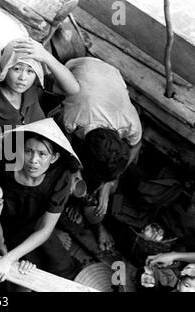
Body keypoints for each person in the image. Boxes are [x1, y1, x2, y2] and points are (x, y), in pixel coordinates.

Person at [56, 57, 142, 252]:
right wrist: (73, 169)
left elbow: (136, 146)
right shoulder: (74, 115)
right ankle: (80, 205)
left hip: (111, 74)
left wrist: (108, 184)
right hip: (79, 67)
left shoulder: (130, 122)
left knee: (103, 194)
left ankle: (89, 211)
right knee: (64, 174)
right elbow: (66, 139)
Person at [0, 118, 82, 287]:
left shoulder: (60, 177)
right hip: (4, 225)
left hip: (38, 226)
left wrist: (8, 259)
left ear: (54, 158)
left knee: (60, 267)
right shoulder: (5, 164)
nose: (33, 160)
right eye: (28, 151)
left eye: (42, 154)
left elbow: (45, 229)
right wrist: (7, 256)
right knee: (19, 274)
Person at [0, 37, 80, 128]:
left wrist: (46, 57)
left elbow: (73, 89)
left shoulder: (34, 83)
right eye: (17, 69)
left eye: (30, 71)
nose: (23, 77)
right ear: (4, 66)